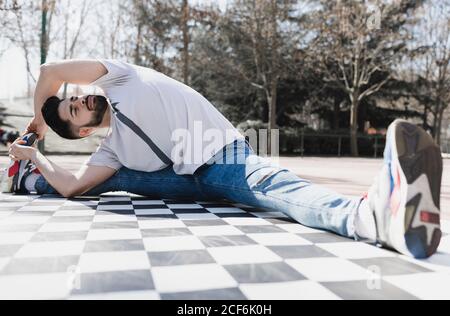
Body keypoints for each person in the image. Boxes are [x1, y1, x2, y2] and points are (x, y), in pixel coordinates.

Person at [2, 59, 443, 259]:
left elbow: (51, 73)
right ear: (81, 130)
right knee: (100, 181)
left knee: (274, 188)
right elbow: (74, 185)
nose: (79, 97)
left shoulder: (119, 76)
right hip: (182, 179)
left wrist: (39, 121)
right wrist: (36, 156)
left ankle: (371, 218)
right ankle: (25, 178)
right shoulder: (111, 148)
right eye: (74, 108)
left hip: (222, 158)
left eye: (74, 97)